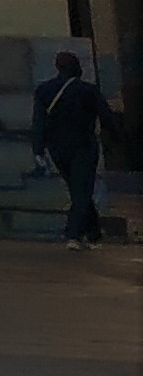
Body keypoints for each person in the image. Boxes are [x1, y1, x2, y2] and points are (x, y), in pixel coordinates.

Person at [29, 47, 112, 250]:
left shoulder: (44, 91)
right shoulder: (88, 90)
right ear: (77, 68)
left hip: (57, 149)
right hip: (83, 146)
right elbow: (107, 118)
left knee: (78, 190)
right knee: (82, 190)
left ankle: (93, 233)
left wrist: (38, 150)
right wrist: (119, 140)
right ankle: (73, 234)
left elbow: (38, 122)